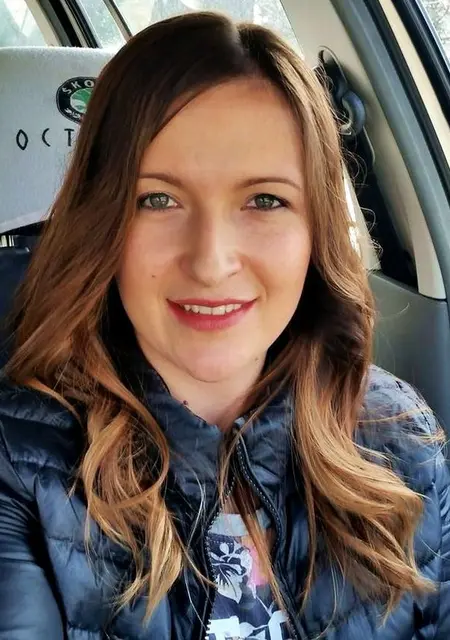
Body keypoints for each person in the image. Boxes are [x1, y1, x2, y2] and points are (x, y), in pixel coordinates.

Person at [0, 11, 448, 640]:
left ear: (316, 231)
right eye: (158, 199)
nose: (211, 263)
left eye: (265, 200)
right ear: (103, 224)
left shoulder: (402, 439)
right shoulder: (19, 463)